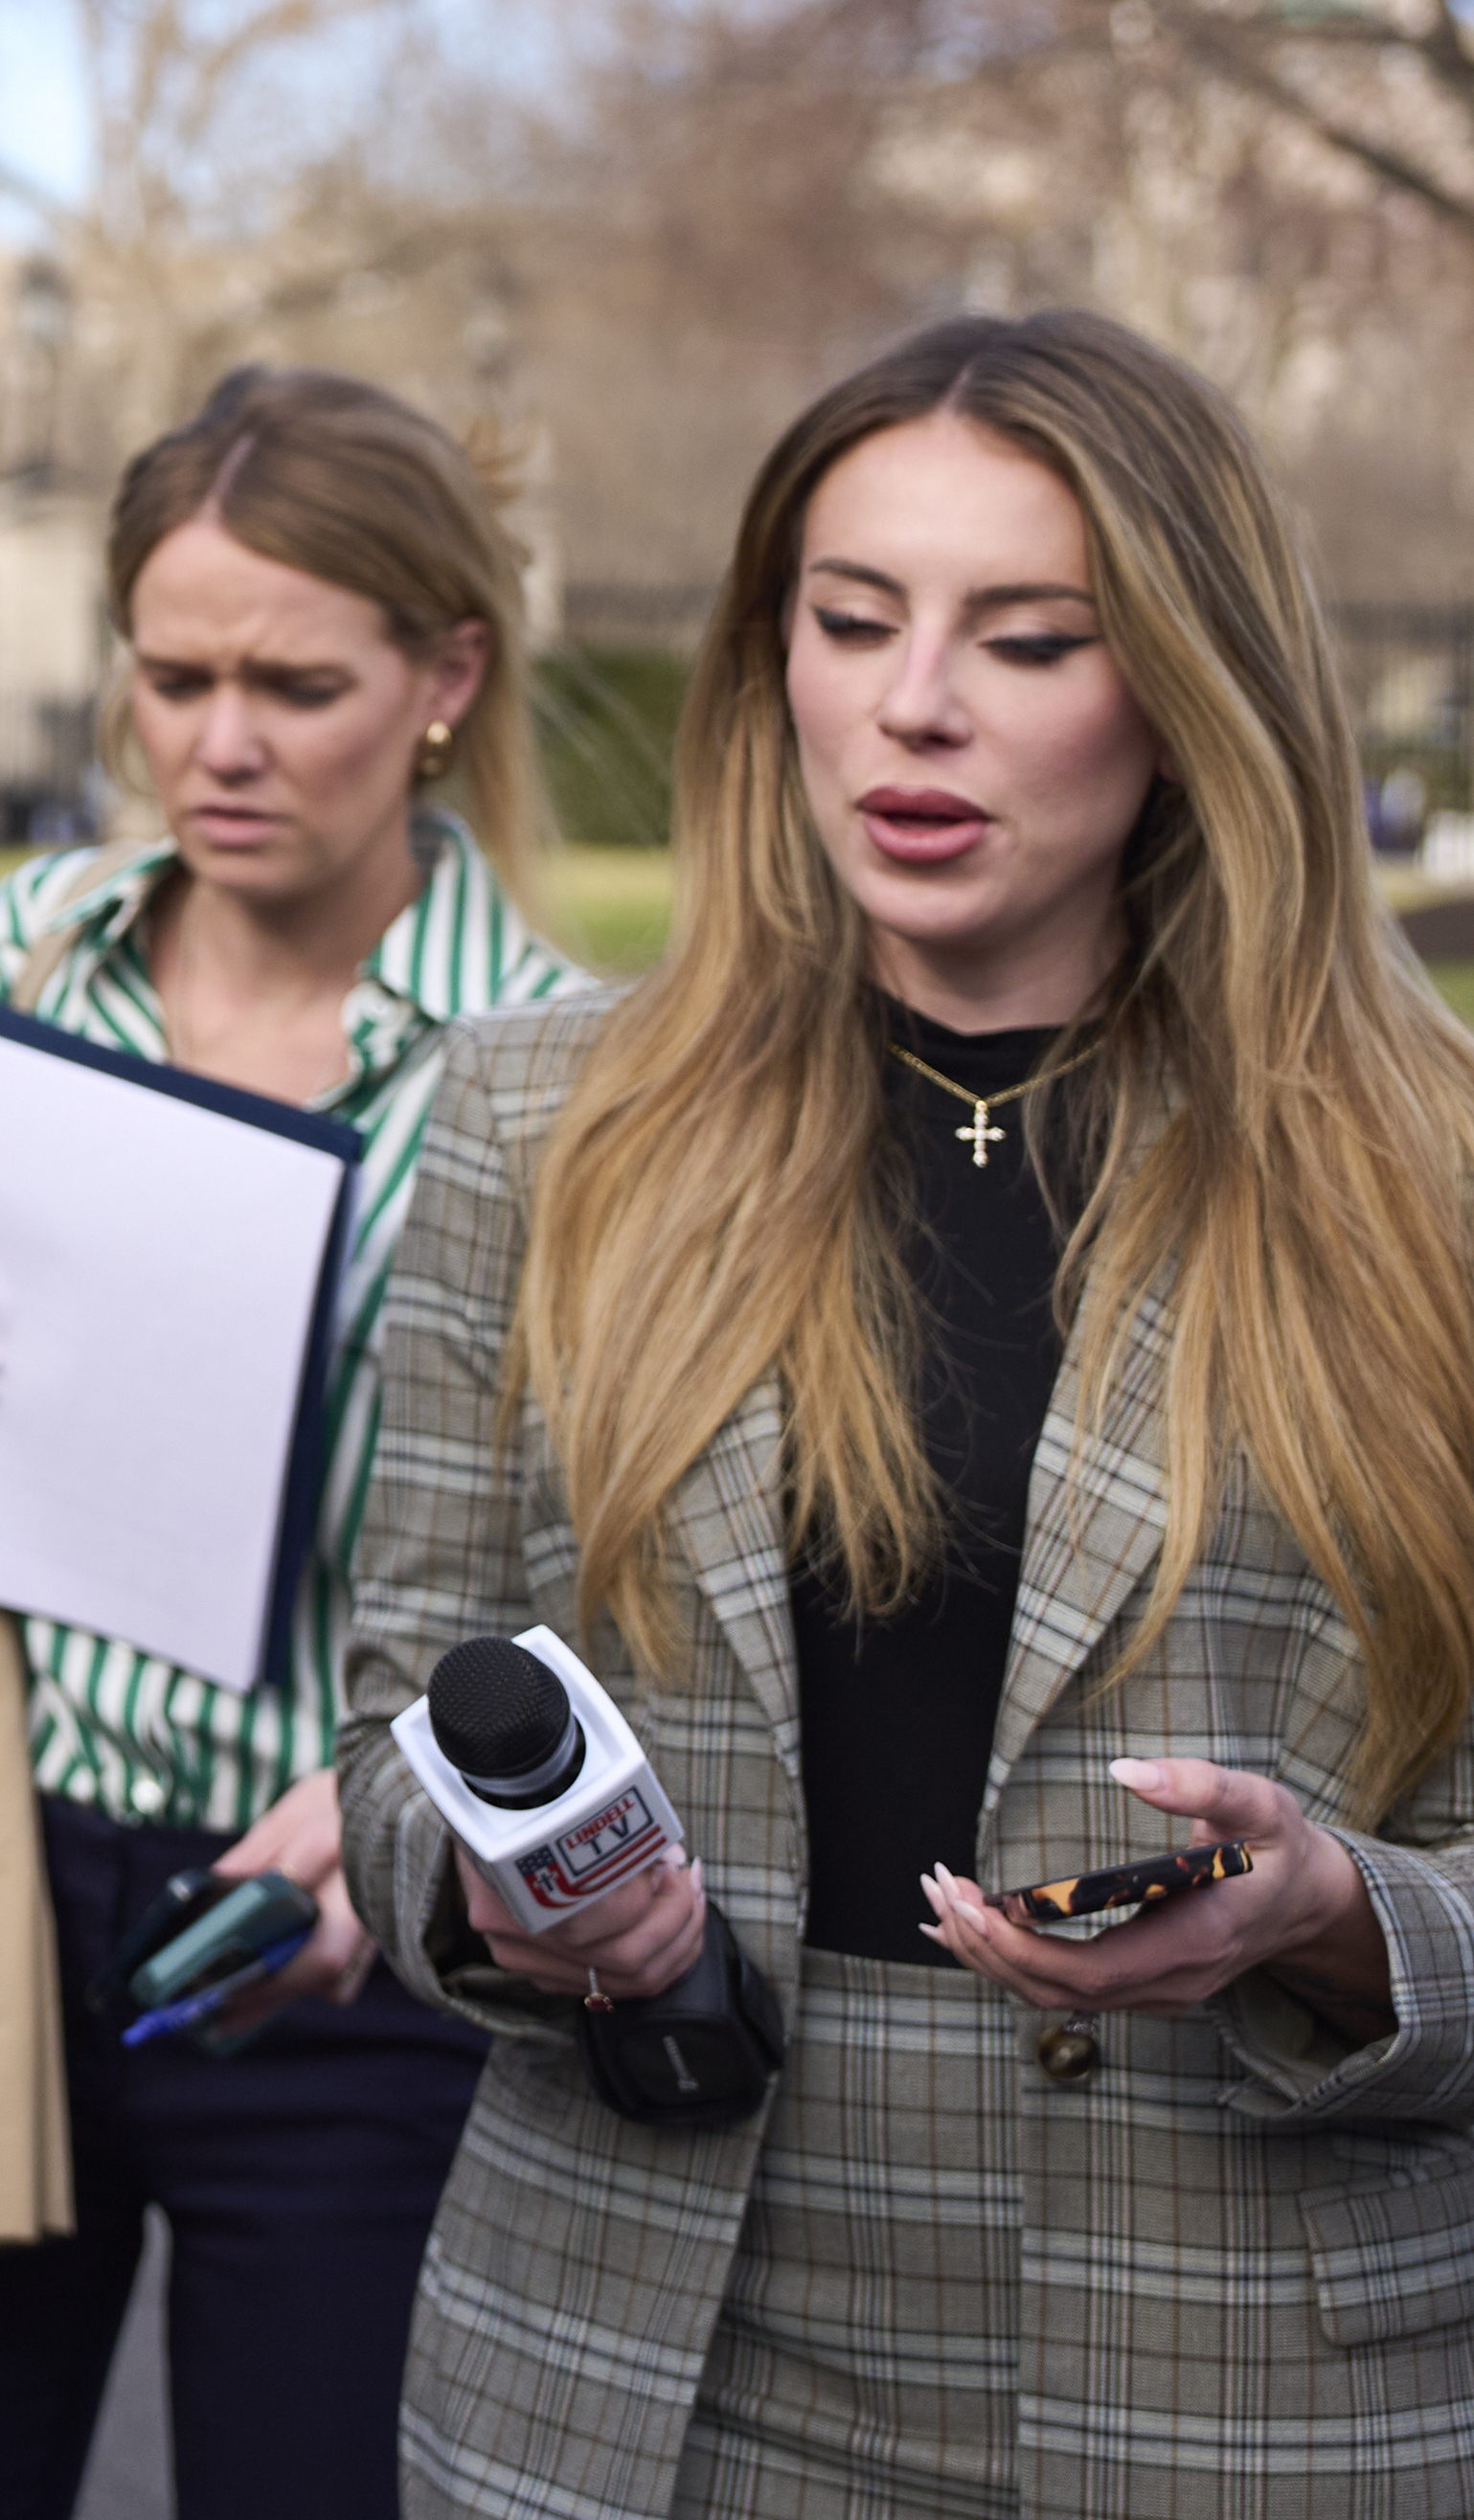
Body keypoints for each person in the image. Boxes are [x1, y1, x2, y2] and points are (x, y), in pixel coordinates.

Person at [340, 308, 1474, 2515]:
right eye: (848, 619)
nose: (911, 702)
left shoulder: (1425, 1180)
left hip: (1240, 2363)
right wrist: (515, 1899)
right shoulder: (536, 1119)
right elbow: (402, 1701)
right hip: (640, 2346)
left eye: (1026, 634)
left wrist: (1333, 1913)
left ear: (1188, 680)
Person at [0, 368, 584, 2520]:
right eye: (171, 674)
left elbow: (601, 1565)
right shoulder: (28, 945)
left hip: (326, 1943)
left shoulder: (560, 1072)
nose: (218, 741)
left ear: (442, 674)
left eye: (291, 682)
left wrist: (398, 1800)